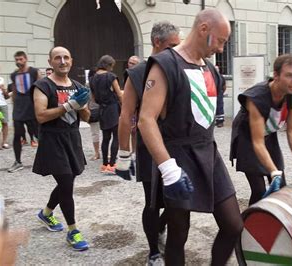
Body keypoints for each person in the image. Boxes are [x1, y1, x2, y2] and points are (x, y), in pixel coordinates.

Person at [138, 9, 243, 265]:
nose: (220, 48)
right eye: (220, 40)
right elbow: (145, 119)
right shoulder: (166, 63)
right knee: (178, 234)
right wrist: (168, 168)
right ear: (204, 29)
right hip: (177, 156)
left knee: (233, 225)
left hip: (208, 153)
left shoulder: (210, 69)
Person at [116, 21, 180, 264]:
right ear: (157, 42)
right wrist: (123, 155)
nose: (176, 50)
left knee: (180, 198)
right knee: (152, 201)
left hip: (177, 144)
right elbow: (126, 115)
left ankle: (161, 228)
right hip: (150, 145)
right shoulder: (138, 73)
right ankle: (154, 252)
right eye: (172, 45)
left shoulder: (178, 66)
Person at [230, 54, 292, 205]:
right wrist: (273, 171)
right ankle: (251, 225)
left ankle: (275, 223)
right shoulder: (256, 97)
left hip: (269, 135)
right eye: (289, 76)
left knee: (280, 189)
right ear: (276, 75)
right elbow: (257, 142)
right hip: (248, 138)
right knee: (259, 190)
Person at [32, 46, 90, 251]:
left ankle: (46, 213)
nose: (62, 61)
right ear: (50, 62)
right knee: (66, 183)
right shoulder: (42, 85)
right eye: (57, 58)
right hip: (52, 140)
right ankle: (73, 231)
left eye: (66, 57)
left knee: (68, 181)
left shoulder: (76, 85)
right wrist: (67, 106)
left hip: (72, 139)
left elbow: (87, 117)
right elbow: (40, 116)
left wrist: (82, 105)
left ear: (71, 61)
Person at [8, 51, 41, 172]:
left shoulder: (34, 71)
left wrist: (40, 107)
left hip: (32, 108)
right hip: (19, 109)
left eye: (21, 59)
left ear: (26, 59)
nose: (18, 62)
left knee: (38, 134)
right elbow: (15, 92)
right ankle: (18, 162)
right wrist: (14, 108)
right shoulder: (14, 75)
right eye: (16, 60)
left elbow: (40, 88)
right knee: (17, 135)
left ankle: (47, 158)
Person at [90, 55, 123, 174]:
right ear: (108, 65)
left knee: (106, 137)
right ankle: (113, 164)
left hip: (102, 109)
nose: (112, 69)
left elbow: (93, 98)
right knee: (116, 136)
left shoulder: (93, 78)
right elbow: (119, 94)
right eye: (112, 66)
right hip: (112, 108)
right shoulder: (111, 76)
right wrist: (124, 106)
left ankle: (104, 165)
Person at [0, 76, 10, 149]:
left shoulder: (1, 79)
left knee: (4, 123)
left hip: (3, 105)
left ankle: (4, 142)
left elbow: (7, 97)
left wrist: (4, 90)